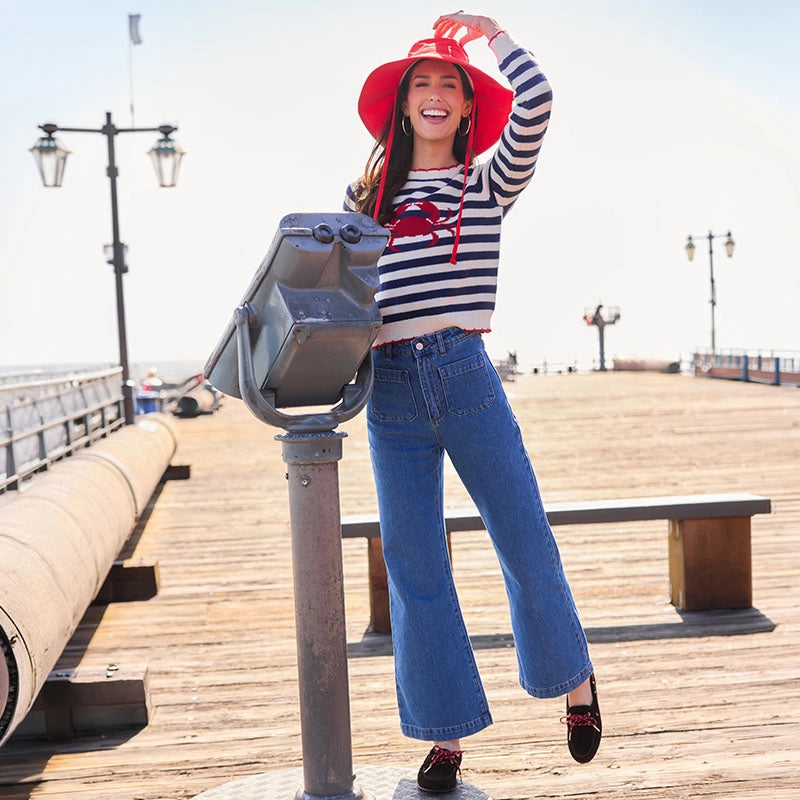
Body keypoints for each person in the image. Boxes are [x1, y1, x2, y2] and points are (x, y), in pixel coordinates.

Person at [344, 11, 601, 792]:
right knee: (416, 568)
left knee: (522, 538)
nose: (432, 93)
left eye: (447, 85)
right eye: (420, 82)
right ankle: (445, 736)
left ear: (465, 107)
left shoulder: (486, 180)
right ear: (402, 102)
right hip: (388, 387)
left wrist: (490, 35)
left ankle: (577, 684)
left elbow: (539, 98)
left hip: (463, 374)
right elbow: (345, 292)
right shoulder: (366, 196)